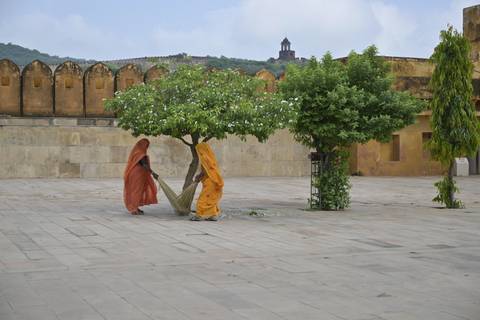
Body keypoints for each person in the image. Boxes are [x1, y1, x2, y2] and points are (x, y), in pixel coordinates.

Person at [123, 138, 159, 215]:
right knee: (136, 191)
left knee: (138, 191)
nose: (147, 147)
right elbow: (144, 165)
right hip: (137, 175)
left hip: (138, 175)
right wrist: (153, 173)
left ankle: (136, 207)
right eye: (146, 145)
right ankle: (133, 209)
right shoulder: (140, 154)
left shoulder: (138, 152)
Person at [191, 143, 224, 221]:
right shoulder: (210, 157)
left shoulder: (205, 158)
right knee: (211, 199)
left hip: (211, 182)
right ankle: (213, 215)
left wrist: (198, 177)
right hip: (215, 181)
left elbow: (205, 171)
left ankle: (199, 215)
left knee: (202, 199)